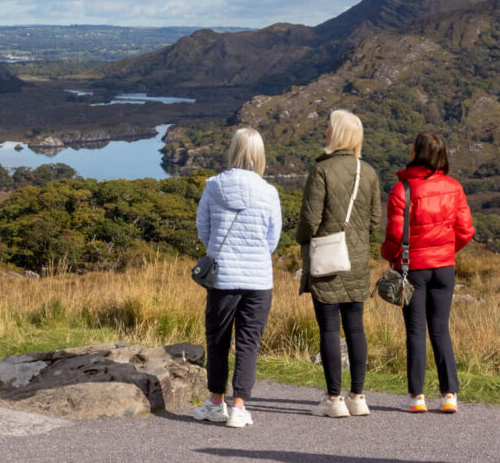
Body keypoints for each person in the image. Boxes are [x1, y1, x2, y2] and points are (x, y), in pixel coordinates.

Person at [193, 127, 283, 428]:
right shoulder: (269, 192)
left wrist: (220, 251)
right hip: (259, 280)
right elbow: (272, 240)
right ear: (259, 155)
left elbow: (203, 230)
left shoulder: (213, 187)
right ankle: (240, 407)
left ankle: (216, 402)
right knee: (248, 342)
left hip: (223, 278)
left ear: (233, 150)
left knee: (218, 340)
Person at [381, 131, 474, 414]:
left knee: (415, 331)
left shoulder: (402, 190)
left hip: (413, 269)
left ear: (417, 153)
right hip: (444, 268)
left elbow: (395, 236)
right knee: (440, 329)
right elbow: (466, 230)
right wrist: (445, 250)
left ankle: (417, 397)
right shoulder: (454, 187)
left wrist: (389, 256)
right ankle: (449, 395)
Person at [296, 109, 381, 418]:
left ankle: (334, 399)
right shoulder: (368, 172)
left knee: (330, 328)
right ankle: (358, 397)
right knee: (356, 328)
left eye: (329, 128)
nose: (325, 132)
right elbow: (374, 221)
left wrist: (300, 238)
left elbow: (310, 220)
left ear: (338, 134)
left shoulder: (321, 171)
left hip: (328, 261)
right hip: (356, 261)